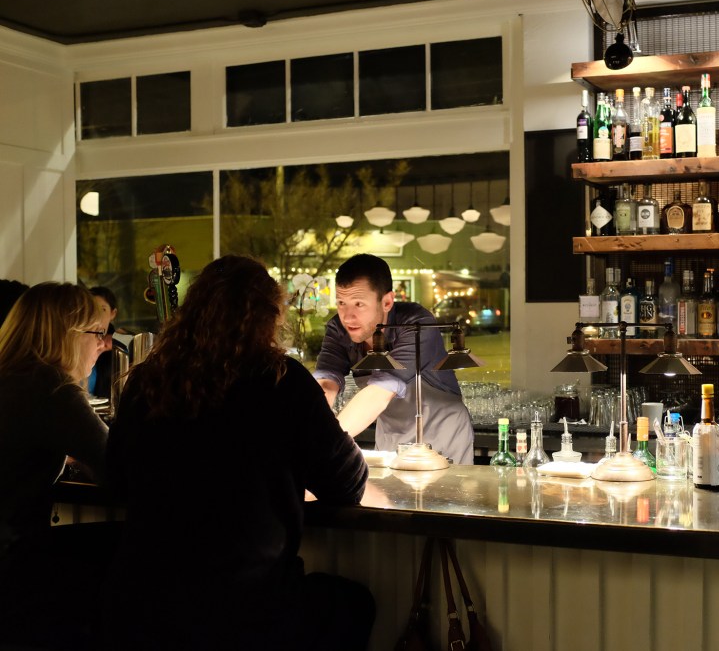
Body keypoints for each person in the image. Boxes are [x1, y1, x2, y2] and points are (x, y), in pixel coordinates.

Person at [104, 255, 373, 650]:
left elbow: (117, 480)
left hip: (142, 609)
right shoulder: (282, 381)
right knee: (353, 604)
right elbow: (347, 484)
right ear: (269, 317)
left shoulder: (150, 379)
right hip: (246, 611)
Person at [0, 282, 110, 648]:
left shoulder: (11, 374)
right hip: (12, 562)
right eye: (97, 333)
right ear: (69, 335)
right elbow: (119, 469)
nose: (103, 344)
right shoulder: (51, 387)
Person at [315, 254, 475, 464]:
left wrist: (326, 445)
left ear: (387, 302)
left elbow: (381, 391)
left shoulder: (416, 324)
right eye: (341, 303)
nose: (347, 316)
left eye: (359, 304)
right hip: (390, 437)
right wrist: (308, 430)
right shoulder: (338, 328)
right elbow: (325, 385)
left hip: (443, 434)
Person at [88, 286, 118, 398]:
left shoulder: (117, 345)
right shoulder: (79, 340)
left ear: (113, 314)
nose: (97, 315)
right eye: (92, 309)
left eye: (103, 309)